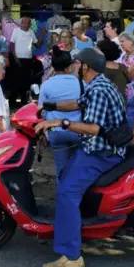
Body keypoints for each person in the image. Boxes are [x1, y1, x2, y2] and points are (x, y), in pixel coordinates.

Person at [35, 48, 126, 267]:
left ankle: (71, 255)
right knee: (66, 179)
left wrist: (58, 123)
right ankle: (72, 230)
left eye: (77, 64)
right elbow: (77, 104)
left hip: (101, 151)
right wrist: (49, 107)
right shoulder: (97, 85)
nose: (75, 67)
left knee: (66, 192)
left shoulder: (99, 91)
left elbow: (93, 128)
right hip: (94, 148)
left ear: (85, 66)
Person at [38, 46, 82, 183]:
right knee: (79, 169)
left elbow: (41, 111)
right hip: (78, 131)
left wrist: (42, 135)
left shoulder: (46, 85)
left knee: (61, 170)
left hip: (56, 132)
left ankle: (62, 198)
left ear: (54, 67)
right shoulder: (81, 84)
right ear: (70, 67)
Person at [10, 17, 37, 105]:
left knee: (26, 81)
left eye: (28, 23)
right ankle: (12, 101)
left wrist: (43, 33)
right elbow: (11, 44)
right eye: (24, 23)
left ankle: (24, 101)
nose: (26, 25)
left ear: (30, 24)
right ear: (21, 23)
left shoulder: (31, 32)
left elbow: (37, 43)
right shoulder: (16, 31)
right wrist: (15, 57)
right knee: (16, 81)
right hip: (17, 59)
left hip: (28, 60)